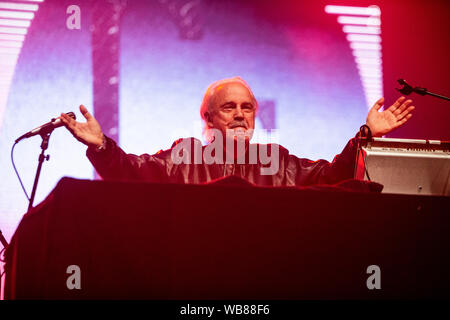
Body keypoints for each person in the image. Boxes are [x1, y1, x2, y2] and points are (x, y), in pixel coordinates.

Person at [60, 77, 415, 187]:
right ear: (209, 118)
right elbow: (131, 173)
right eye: (229, 108)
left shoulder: (278, 162)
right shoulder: (184, 155)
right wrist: (102, 146)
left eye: (247, 108)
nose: (240, 115)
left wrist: (365, 134)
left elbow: (333, 176)